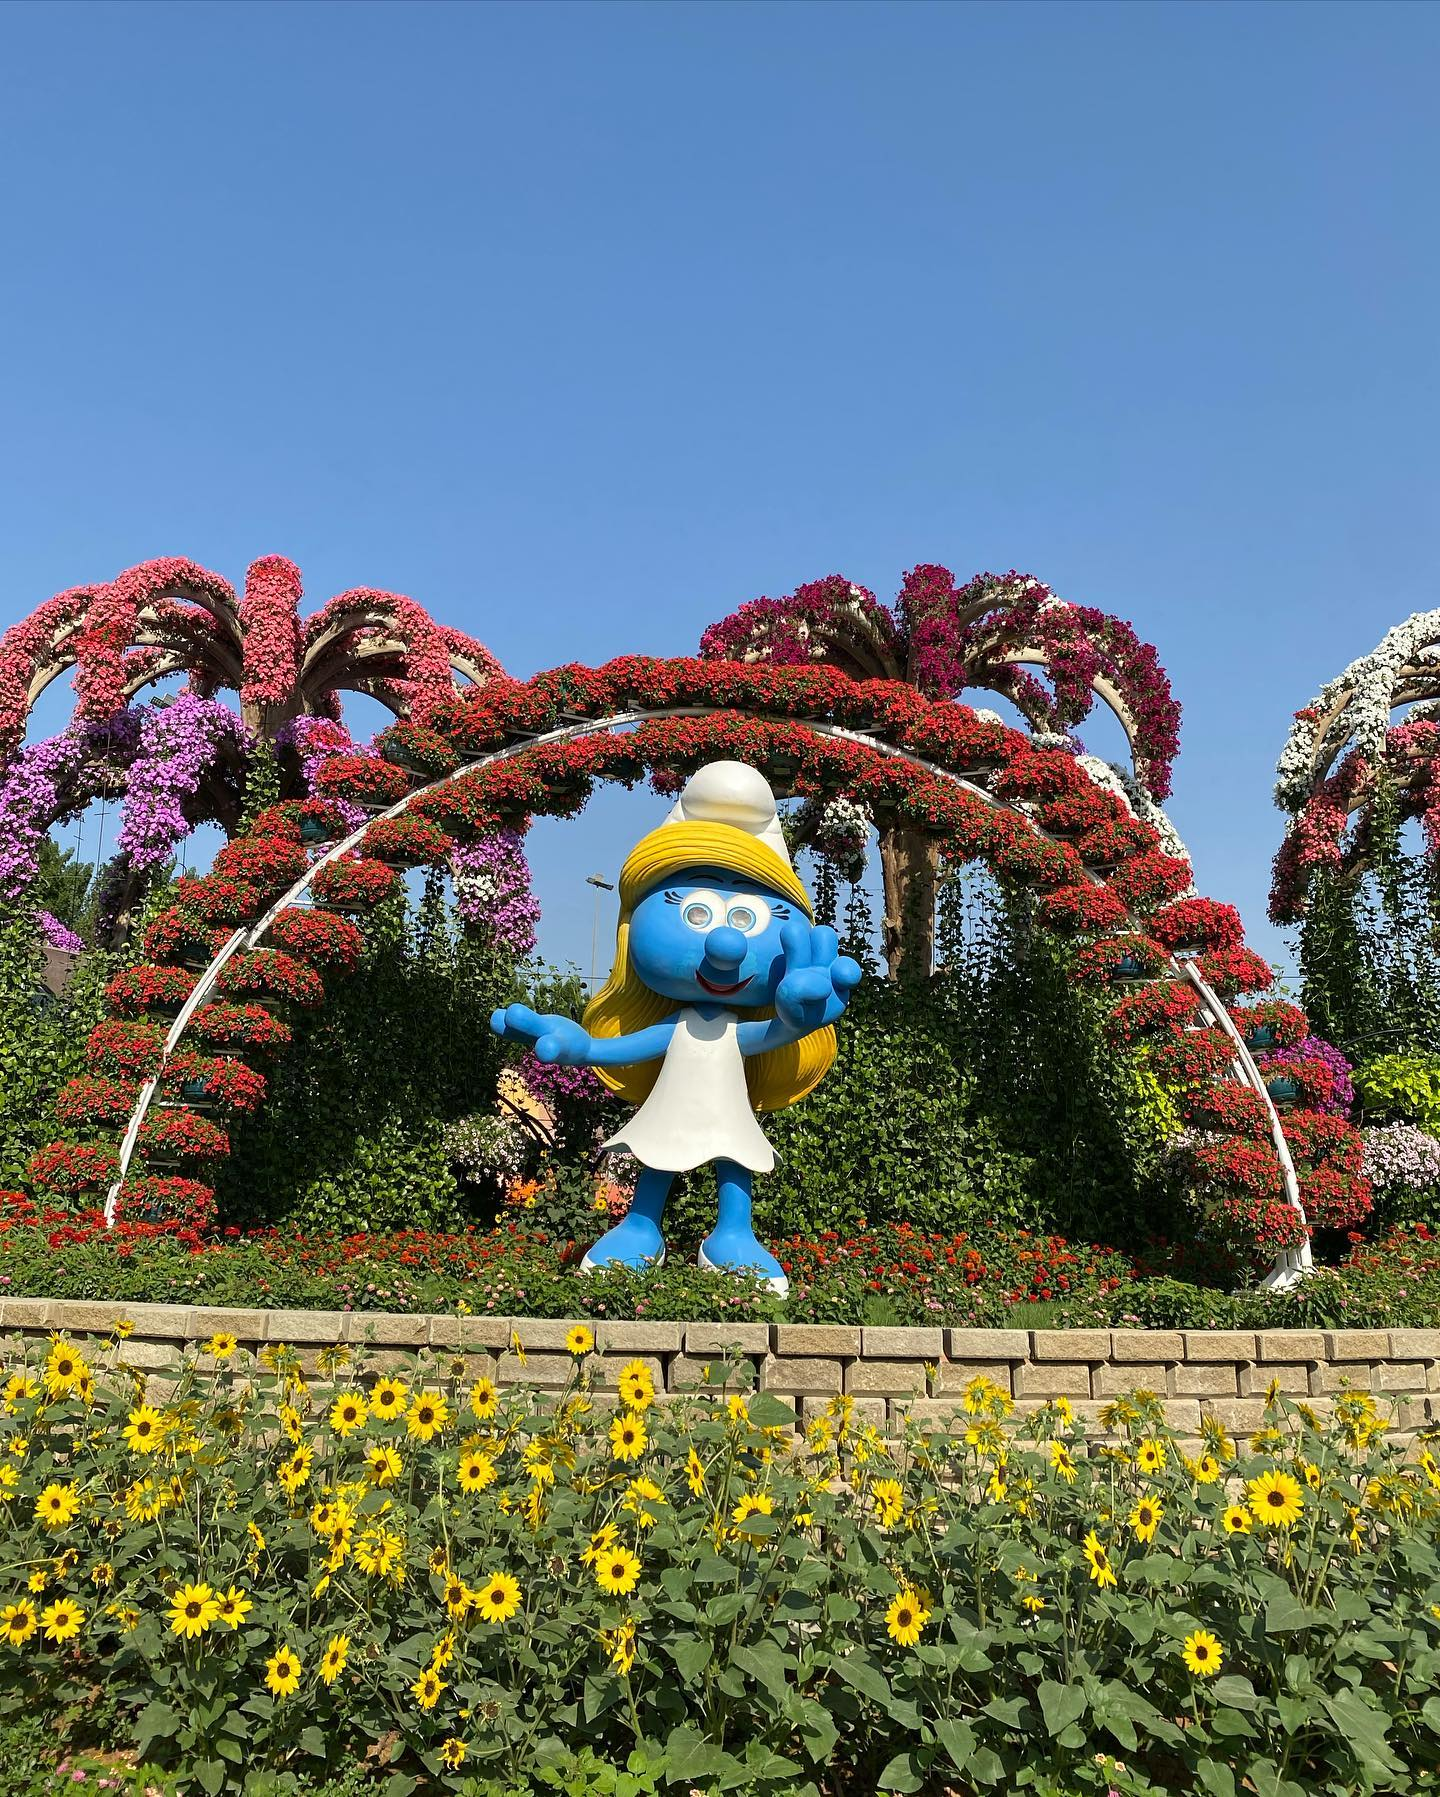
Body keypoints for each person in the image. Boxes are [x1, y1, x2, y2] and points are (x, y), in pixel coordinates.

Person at [491, 760, 861, 1296]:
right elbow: (625, 1046)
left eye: (746, 919)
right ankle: (642, 1228)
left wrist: (795, 1024)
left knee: (734, 1159)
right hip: (673, 1101)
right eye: (695, 912)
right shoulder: (678, 1024)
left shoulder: (735, 1028)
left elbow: (768, 1038)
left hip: (731, 1104)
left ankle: (734, 1235)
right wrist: (584, 1047)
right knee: (660, 1152)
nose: (725, 945)